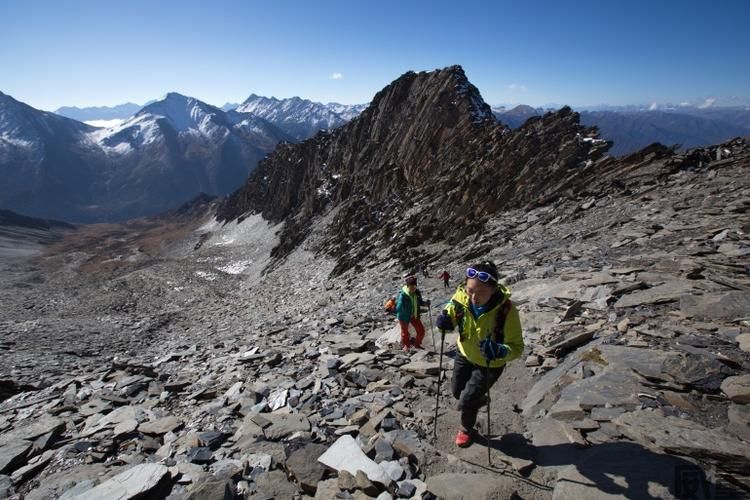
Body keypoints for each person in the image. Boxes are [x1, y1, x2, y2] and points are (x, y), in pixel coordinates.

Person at [436, 261, 523, 448]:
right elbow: (452, 309)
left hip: (490, 363)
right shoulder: (462, 296)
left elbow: (517, 347)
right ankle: (478, 399)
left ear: (493, 290)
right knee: (457, 391)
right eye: (470, 290)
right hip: (465, 352)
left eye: (481, 292)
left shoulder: (507, 311)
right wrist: (446, 319)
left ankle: (466, 429)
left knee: (467, 400)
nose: (474, 297)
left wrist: (500, 351)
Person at [396, 275, 429, 351]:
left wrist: (425, 303)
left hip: (414, 315)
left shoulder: (417, 293)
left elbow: (420, 302)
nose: (413, 289)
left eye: (414, 287)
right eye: (411, 287)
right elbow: (399, 306)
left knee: (421, 331)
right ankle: (406, 346)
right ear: (407, 286)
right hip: (404, 316)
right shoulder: (403, 295)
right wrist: (399, 310)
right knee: (405, 332)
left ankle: (417, 344)